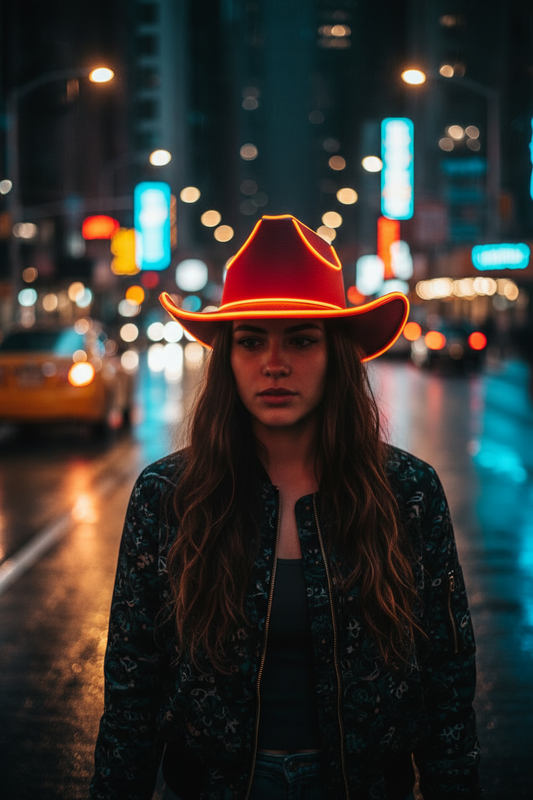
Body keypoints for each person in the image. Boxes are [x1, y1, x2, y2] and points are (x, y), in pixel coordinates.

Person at [90, 214, 483, 800]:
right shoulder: (168, 494)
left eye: (300, 339)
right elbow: (132, 687)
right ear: (227, 356)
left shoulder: (408, 491)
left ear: (336, 355)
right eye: (251, 340)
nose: (274, 363)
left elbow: (446, 684)